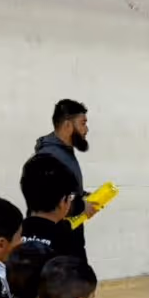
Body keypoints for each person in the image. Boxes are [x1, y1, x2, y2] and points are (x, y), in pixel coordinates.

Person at [34, 99, 94, 265]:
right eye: (83, 123)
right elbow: (48, 201)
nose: (86, 129)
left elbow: (65, 191)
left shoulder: (64, 153)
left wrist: (84, 197)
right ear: (68, 125)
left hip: (70, 238)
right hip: (58, 243)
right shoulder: (50, 157)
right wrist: (82, 206)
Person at [18, 154, 85, 260]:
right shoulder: (68, 239)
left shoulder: (14, 235)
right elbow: (78, 275)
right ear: (64, 200)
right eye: (70, 197)